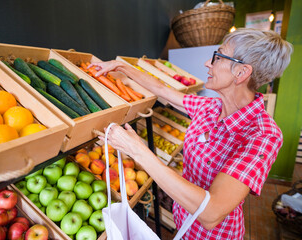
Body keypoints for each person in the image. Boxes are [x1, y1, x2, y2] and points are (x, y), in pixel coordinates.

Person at [89, 28, 293, 239]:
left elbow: (211, 212)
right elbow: (164, 90)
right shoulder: (211, 107)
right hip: (184, 221)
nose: (208, 63)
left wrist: (137, 150)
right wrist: (120, 66)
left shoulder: (263, 135)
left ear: (241, 72)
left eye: (218, 57)